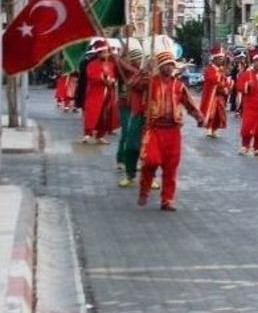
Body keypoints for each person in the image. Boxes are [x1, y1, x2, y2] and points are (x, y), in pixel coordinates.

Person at [137, 51, 205, 211]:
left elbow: (189, 103)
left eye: (171, 65)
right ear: (160, 67)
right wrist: (145, 70)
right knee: (150, 161)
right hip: (154, 129)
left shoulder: (179, 86)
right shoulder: (150, 82)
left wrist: (199, 117)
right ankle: (144, 189)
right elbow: (134, 84)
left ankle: (167, 199)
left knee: (171, 167)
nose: (169, 67)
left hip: (173, 131)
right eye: (165, 65)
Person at [114, 48, 146, 187]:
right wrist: (119, 57)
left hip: (141, 109)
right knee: (127, 134)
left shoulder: (144, 73)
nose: (139, 61)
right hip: (126, 105)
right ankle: (122, 160)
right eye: (136, 58)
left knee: (144, 142)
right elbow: (118, 66)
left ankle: (144, 171)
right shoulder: (125, 69)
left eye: (140, 58)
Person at [81, 39, 119, 144]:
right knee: (91, 114)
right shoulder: (92, 64)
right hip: (95, 93)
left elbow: (115, 76)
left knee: (105, 115)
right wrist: (103, 79)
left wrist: (112, 80)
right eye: (103, 52)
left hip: (108, 93)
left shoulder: (111, 64)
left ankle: (100, 135)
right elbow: (92, 76)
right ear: (98, 53)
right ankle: (87, 134)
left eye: (106, 52)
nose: (105, 54)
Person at [199, 46, 232, 138]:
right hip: (212, 95)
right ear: (214, 59)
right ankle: (209, 128)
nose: (221, 61)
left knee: (219, 113)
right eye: (219, 59)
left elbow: (224, 81)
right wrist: (219, 75)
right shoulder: (209, 69)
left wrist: (226, 87)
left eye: (222, 59)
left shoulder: (221, 70)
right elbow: (212, 80)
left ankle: (215, 129)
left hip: (220, 96)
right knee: (211, 112)